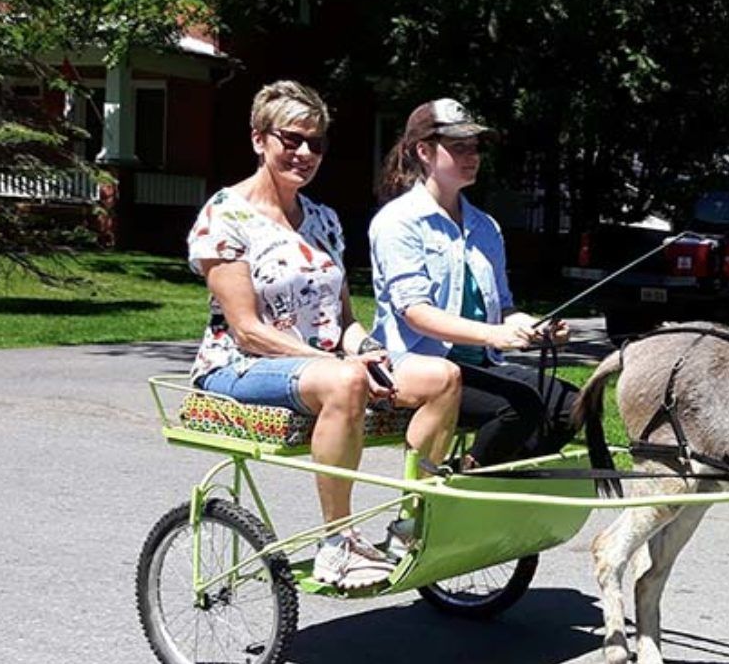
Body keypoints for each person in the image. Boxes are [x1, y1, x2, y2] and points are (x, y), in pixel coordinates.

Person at [187, 81, 462, 589]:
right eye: (292, 139)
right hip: (237, 366)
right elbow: (247, 330)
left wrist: (367, 350)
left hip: (320, 364)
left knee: (442, 377)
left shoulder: (323, 220)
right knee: (344, 383)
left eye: (316, 143)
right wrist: (341, 365)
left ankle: (411, 526)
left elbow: (343, 320)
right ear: (259, 140)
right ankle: (337, 542)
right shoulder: (226, 216)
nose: (306, 153)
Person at [369, 98, 578, 472]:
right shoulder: (399, 222)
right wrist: (492, 335)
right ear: (424, 151)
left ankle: (486, 476)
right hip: (417, 366)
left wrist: (536, 328)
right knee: (519, 406)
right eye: (459, 147)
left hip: (479, 365)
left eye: (475, 147)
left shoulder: (486, 227)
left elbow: (505, 308)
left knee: (570, 404)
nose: (472, 156)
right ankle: (455, 486)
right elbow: (416, 314)